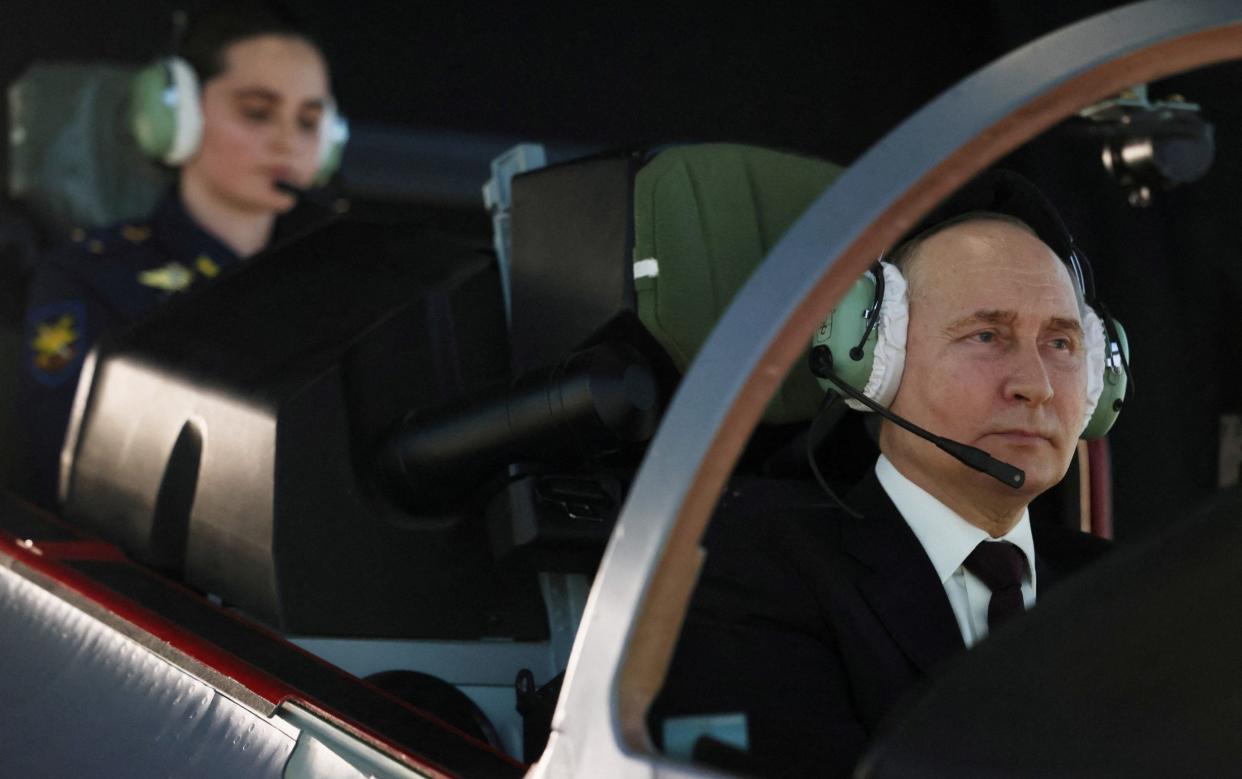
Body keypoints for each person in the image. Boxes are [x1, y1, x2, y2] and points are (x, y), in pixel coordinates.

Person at [652, 172, 1115, 777]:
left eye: (1061, 342)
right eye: (986, 335)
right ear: (872, 360)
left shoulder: (1124, 588)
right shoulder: (748, 576)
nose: (1037, 384)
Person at [17, 2, 338, 508]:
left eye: (309, 120)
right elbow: (68, 476)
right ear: (175, 116)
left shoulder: (344, 279)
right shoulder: (91, 276)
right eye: (257, 112)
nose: (287, 142)